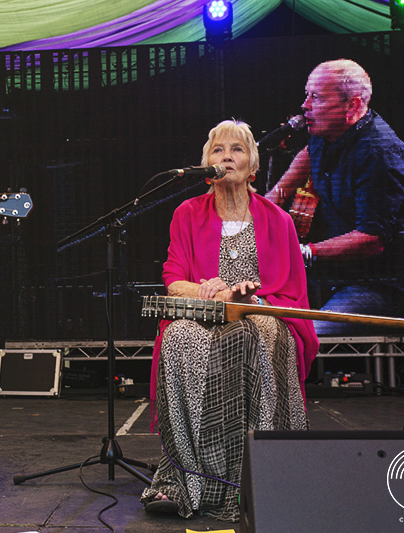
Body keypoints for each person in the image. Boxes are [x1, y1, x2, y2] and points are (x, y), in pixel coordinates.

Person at [141, 120, 319, 521]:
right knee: (180, 338)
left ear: (252, 164)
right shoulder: (187, 213)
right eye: (218, 151)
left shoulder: (279, 220)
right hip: (205, 317)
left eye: (236, 149)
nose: (226, 157)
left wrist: (250, 299)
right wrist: (215, 293)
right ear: (208, 166)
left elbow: (291, 292)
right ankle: (184, 478)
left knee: (262, 331)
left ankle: (268, 479)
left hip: (262, 313)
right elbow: (174, 282)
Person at [266, 59, 404, 335]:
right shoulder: (326, 131)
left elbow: (371, 240)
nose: (304, 105)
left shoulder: (380, 153)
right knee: (254, 314)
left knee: (304, 336)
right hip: (339, 276)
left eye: (316, 97)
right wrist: (275, 196)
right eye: (307, 95)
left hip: (386, 285)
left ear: (353, 106)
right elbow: (309, 154)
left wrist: (304, 252)